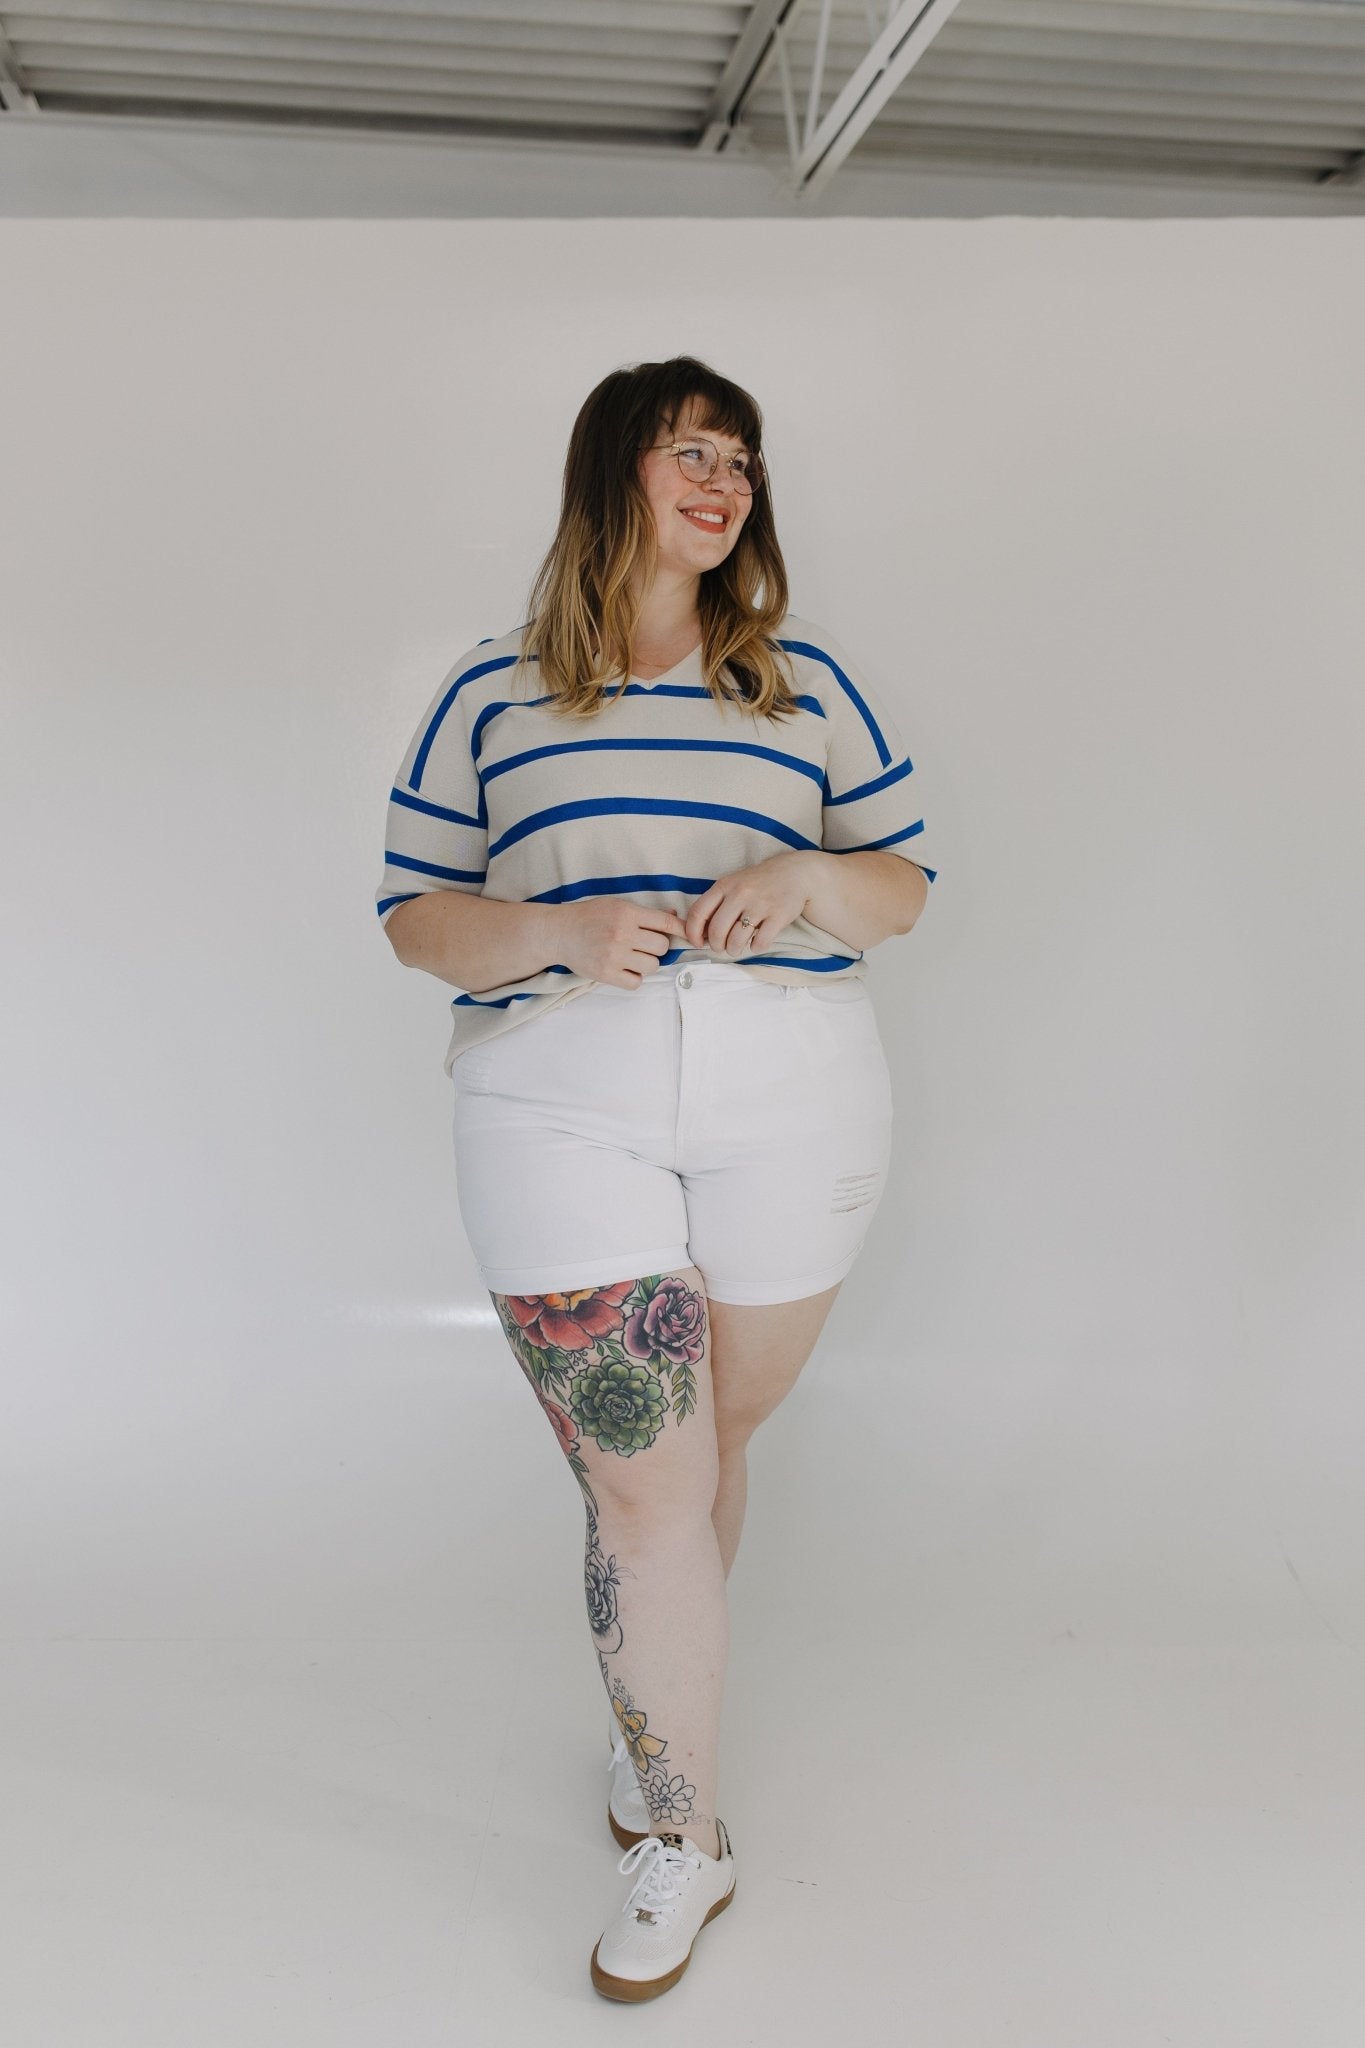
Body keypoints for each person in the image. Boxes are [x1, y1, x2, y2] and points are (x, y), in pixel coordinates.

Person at [375, 355, 936, 2001]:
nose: (722, 481)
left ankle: (652, 1733)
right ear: (611, 468)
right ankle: (683, 1833)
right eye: (689, 450)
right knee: (641, 1476)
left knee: (706, 1455)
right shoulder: (492, 693)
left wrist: (808, 875)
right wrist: (553, 931)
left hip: (794, 1093)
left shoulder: (804, 683)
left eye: (740, 459)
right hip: (558, 1095)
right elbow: (416, 916)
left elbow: (903, 888)